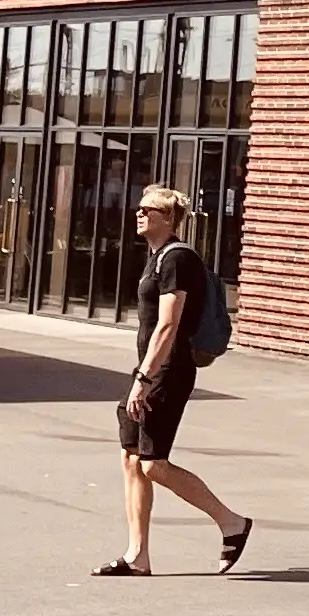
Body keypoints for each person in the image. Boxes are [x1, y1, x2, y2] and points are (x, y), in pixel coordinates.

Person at [101, 184, 249, 576]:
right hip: (150, 371)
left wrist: (143, 379)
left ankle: (231, 522)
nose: (139, 213)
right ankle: (137, 556)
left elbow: (168, 326)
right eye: (139, 207)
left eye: (148, 210)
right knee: (131, 459)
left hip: (167, 373)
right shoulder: (156, 257)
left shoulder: (177, 259)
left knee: (153, 465)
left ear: (168, 218)